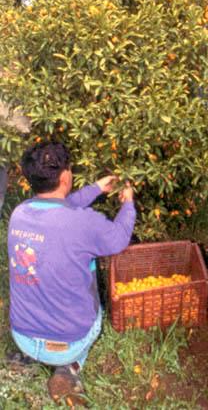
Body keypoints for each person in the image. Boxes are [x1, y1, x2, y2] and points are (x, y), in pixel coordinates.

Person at [8, 142, 136, 404]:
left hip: (22, 336)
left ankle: (32, 357)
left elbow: (61, 206)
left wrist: (97, 189)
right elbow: (119, 239)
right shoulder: (83, 222)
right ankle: (70, 367)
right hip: (68, 344)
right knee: (91, 279)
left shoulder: (19, 214)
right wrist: (128, 205)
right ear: (66, 176)